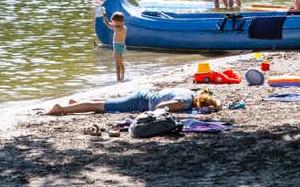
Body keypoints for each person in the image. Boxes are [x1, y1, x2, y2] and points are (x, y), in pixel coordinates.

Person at [46, 87, 221, 115]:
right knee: (100, 106)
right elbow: (160, 107)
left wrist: (217, 105)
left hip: (143, 94)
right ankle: (61, 109)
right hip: (140, 103)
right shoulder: (184, 102)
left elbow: (218, 102)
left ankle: (75, 102)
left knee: (109, 100)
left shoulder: (190, 92)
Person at [103, 11, 127, 81]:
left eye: (113, 22)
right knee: (121, 63)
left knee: (117, 64)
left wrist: (104, 16)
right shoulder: (124, 28)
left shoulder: (117, 28)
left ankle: (118, 78)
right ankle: (122, 76)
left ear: (117, 22)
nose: (113, 23)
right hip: (123, 46)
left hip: (117, 46)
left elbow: (106, 23)